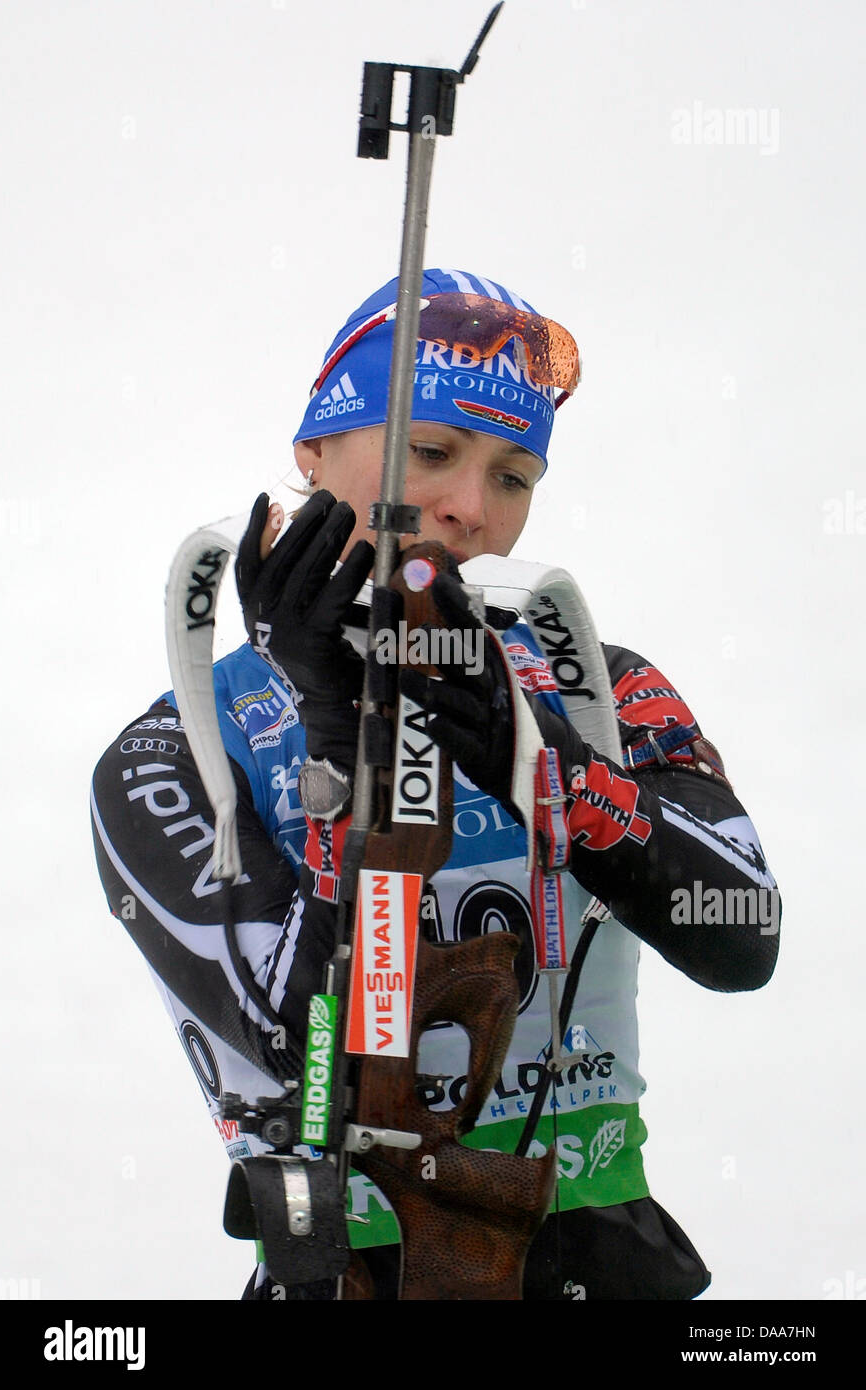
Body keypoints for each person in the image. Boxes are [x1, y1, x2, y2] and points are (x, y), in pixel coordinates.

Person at [91, 267, 780, 1300]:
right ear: (312, 453)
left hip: (597, 1263)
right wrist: (334, 741)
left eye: (513, 476)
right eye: (428, 452)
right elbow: (294, 1043)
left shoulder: (596, 683)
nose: (469, 508)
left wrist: (546, 766)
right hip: (345, 1272)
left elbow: (740, 935)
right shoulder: (181, 741)